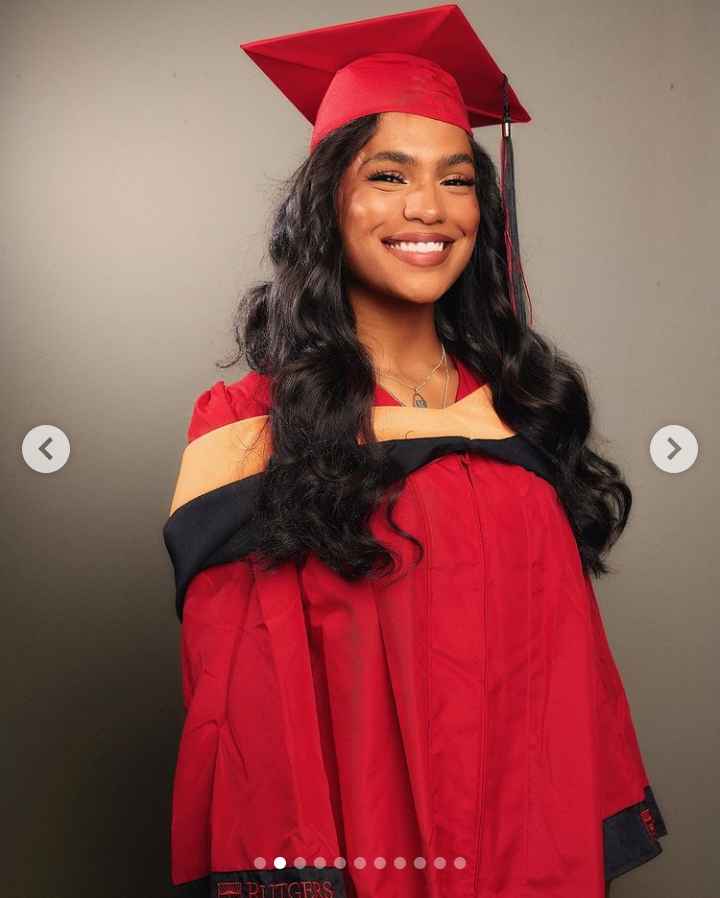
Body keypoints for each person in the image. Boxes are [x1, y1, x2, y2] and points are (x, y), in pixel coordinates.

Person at [163, 6, 668, 897]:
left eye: (458, 178)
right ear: (328, 200)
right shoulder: (250, 425)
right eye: (387, 175)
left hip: (529, 849)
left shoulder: (519, 407)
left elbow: (568, 676)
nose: (428, 209)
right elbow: (249, 715)